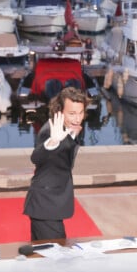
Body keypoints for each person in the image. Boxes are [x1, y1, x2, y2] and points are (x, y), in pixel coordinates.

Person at [23, 86, 88, 241]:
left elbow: (65, 159)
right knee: (56, 257)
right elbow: (36, 157)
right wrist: (53, 141)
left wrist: (72, 136)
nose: (77, 119)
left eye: (80, 113)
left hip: (53, 204)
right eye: (72, 113)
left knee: (43, 257)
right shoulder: (50, 131)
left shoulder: (72, 128)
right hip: (45, 205)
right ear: (59, 111)